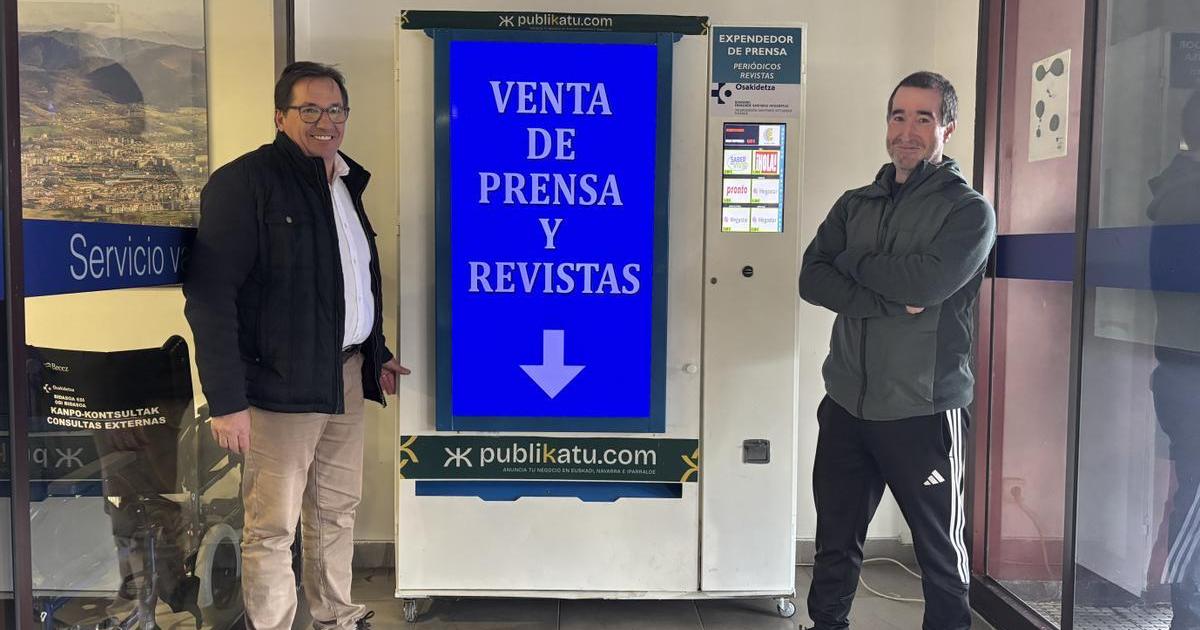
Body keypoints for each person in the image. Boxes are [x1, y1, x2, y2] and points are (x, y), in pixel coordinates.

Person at [184, 61, 408, 630]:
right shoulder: (244, 184)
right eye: (309, 109)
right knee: (272, 526)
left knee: (336, 509)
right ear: (280, 116)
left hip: (344, 375)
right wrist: (227, 401)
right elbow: (210, 298)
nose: (324, 121)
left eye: (335, 109)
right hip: (278, 388)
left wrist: (375, 351)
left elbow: (350, 281)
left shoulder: (346, 183)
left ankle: (336, 615)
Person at [798, 70, 996, 630]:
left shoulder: (968, 212)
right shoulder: (854, 204)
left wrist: (852, 262)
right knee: (835, 540)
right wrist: (886, 297)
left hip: (922, 408)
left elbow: (926, 285)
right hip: (846, 403)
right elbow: (812, 278)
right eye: (898, 116)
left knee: (940, 551)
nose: (907, 131)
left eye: (923, 118)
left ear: (947, 128)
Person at [1148, 90, 1200, 630]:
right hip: (1192, 373)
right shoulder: (1188, 198)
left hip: (1185, 369)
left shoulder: (1181, 192)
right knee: (1197, 506)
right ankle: (1186, 618)